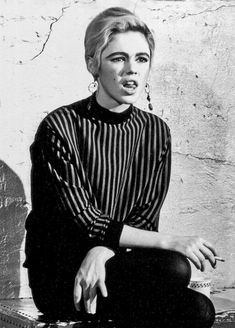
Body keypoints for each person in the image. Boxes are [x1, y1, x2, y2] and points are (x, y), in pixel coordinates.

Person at [24, 7, 218, 328]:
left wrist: (102, 249)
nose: (132, 70)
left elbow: (144, 216)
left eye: (141, 59)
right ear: (93, 64)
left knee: (196, 307)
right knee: (175, 267)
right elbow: (82, 219)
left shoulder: (156, 131)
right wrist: (171, 240)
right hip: (63, 273)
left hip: (115, 261)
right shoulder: (60, 126)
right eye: (118, 58)